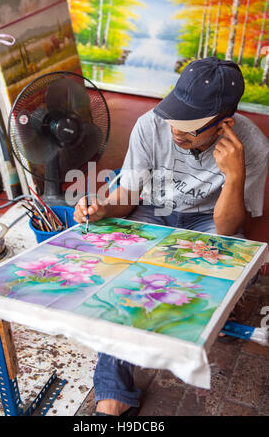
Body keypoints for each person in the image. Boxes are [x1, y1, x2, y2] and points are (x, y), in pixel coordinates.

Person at [73, 57, 269, 416]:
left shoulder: (251, 146)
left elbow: (226, 230)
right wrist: (101, 208)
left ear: (224, 123)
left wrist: (235, 176)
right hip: (154, 212)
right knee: (124, 277)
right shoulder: (152, 125)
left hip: (210, 222)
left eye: (190, 125)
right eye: (174, 115)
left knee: (229, 271)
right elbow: (128, 196)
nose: (176, 129)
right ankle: (114, 392)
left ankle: (207, 320)